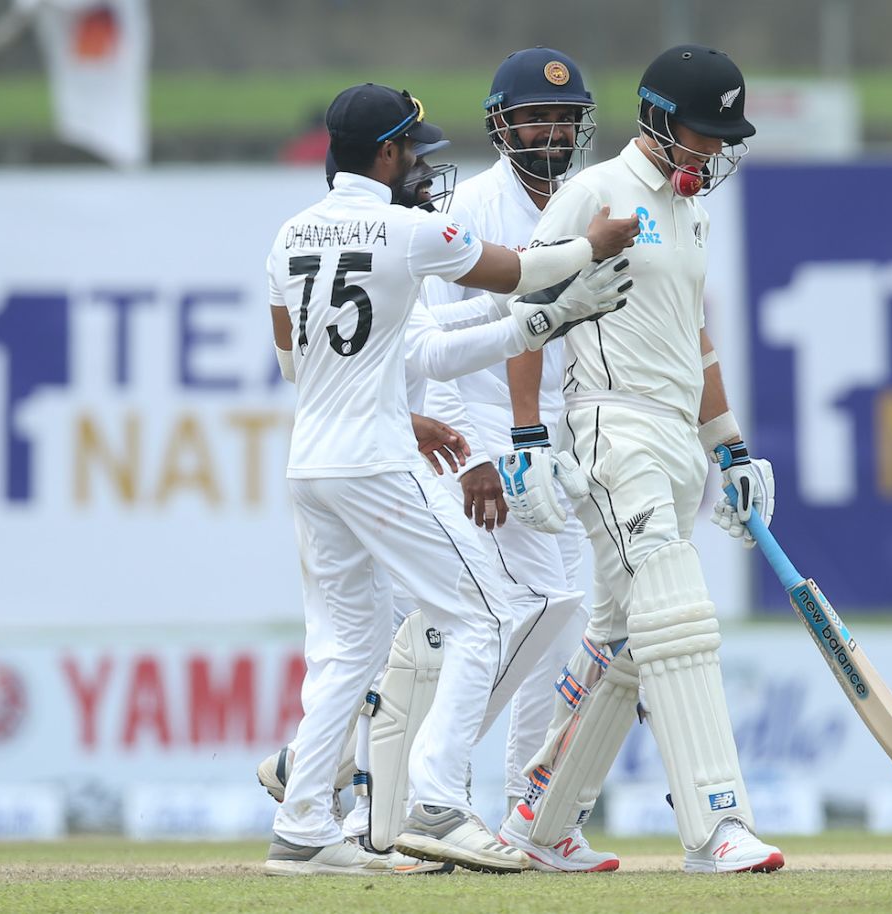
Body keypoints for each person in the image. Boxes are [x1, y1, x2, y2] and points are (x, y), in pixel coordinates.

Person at [263, 81, 636, 876]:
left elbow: (304, 360)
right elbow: (522, 269)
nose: (420, 168)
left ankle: (302, 828)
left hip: (311, 464)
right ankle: (436, 801)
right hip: (375, 462)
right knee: (483, 615)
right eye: (412, 152)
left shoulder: (289, 237)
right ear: (389, 152)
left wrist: (542, 324)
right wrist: (596, 249)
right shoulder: (407, 230)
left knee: (345, 646)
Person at [493, 45, 786, 874]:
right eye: (702, 133)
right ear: (657, 120)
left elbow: (693, 337)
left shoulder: (690, 212)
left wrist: (727, 446)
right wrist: (526, 439)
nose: (713, 152)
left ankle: (539, 822)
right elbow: (531, 306)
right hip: (609, 428)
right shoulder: (594, 193)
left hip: (673, 436)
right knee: (678, 615)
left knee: (624, 637)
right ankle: (715, 823)